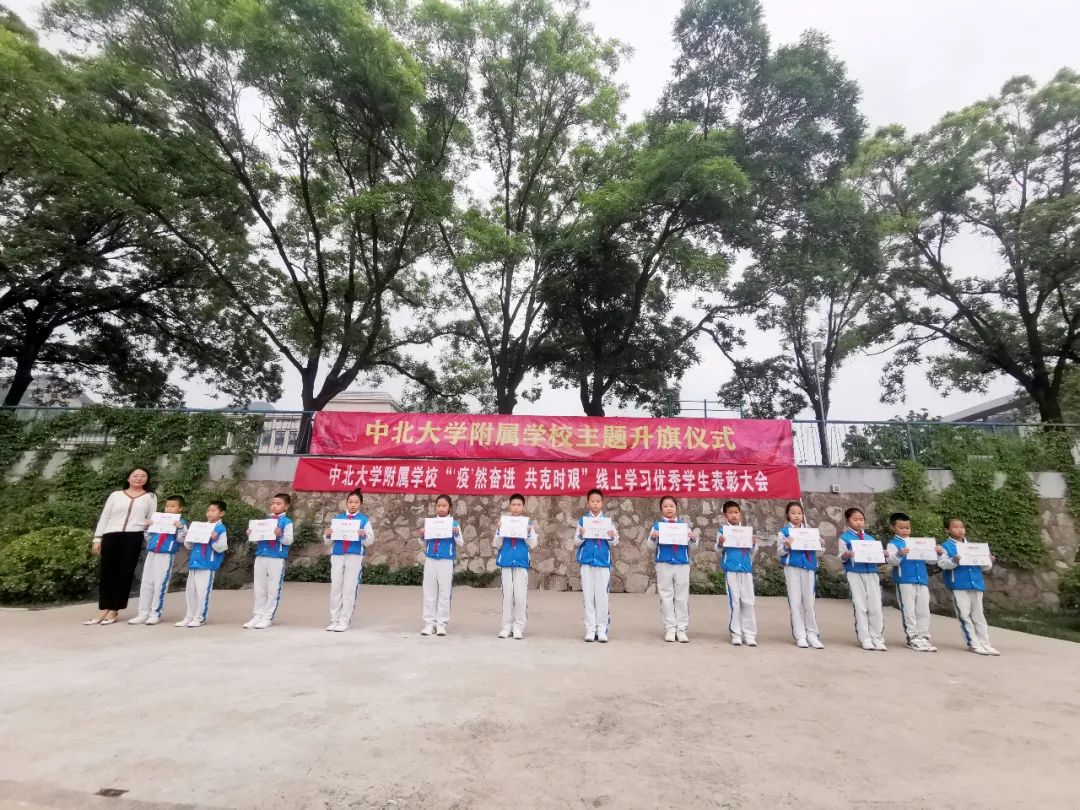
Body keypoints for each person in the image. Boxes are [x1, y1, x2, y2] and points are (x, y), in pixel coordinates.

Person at [85, 467, 158, 625]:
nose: (139, 478)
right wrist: (97, 539)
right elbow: (105, 517)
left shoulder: (150, 497)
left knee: (125, 573)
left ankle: (114, 609)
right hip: (111, 535)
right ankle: (103, 608)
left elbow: (152, 518)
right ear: (128, 478)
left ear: (147, 479)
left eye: (143, 476)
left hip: (133, 536)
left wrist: (148, 524)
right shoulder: (116, 495)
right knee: (107, 572)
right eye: (135, 475)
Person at [937, 517, 999, 656]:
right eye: (955, 527)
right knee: (964, 615)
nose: (960, 530)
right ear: (947, 530)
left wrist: (988, 560)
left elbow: (985, 567)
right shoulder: (945, 547)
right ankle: (973, 643)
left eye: (962, 527)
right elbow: (943, 564)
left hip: (976, 583)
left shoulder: (973, 547)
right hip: (958, 584)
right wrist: (954, 560)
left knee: (979, 615)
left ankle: (985, 644)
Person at [128, 494, 188, 626]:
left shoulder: (181, 522)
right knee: (146, 583)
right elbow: (148, 538)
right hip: (152, 553)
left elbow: (182, 540)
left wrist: (180, 528)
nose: (169, 508)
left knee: (160, 584)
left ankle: (155, 613)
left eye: (173, 506)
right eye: (167, 506)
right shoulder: (158, 519)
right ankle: (143, 613)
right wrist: (147, 527)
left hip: (166, 555)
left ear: (180, 508)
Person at [647, 495, 699, 643]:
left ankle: (681, 629)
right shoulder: (657, 526)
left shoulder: (684, 526)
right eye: (665, 506)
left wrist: (693, 538)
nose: (669, 509)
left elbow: (693, 546)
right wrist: (653, 537)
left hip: (682, 564)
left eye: (672, 506)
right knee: (666, 596)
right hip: (664, 564)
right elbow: (650, 546)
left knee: (682, 597)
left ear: (676, 508)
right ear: (661, 509)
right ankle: (670, 628)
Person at [322, 488, 373, 632]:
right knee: (336, 587)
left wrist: (363, 535)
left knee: (349, 588)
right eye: (350, 502)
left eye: (356, 502)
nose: (353, 504)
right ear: (346, 503)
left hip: (354, 555)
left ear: (360, 504)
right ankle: (334, 619)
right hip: (338, 554)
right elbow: (328, 541)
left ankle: (344, 620)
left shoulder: (364, 520)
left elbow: (370, 541)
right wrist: (328, 534)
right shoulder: (338, 519)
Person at [886, 512, 937, 652]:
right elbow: (891, 561)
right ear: (893, 528)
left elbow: (931, 561)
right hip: (905, 580)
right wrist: (899, 554)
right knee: (908, 609)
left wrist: (935, 553)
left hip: (921, 580)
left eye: (907, 528)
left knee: (923, 609)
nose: (905, 530)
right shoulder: (893, 544)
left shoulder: (917, 542)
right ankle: (912, 637)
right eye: (901, 528)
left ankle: (923, 637)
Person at [838, 506, 887, 651]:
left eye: (861, 519)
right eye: (855, 519)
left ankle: (877, 638)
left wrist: (882, 554)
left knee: (875, 606)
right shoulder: (845, 538)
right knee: (860, 606)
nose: (859, 522)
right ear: (848, 521)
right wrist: (846, 555)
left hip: (872, 573)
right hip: (855, 573)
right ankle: (865, 638)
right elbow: (840, 557)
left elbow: (876, 558)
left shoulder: (870, 539)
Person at [243, 493, 294, 630]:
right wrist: (252, 534)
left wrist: (280, 534)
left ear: (286, 506)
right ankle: (257, 615)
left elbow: (289, 541)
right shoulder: (265, 521)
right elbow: (258, 539)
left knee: (273, 589)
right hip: (261, 556)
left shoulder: (287, 522)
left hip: (276, 558)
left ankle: (267, 617)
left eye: (278, 503)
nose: (274, 506)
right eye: (273, 503)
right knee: (259, 588)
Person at [574, 488, 619, 643]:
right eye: (592, 501)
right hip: (586, 562)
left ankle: (602, 629)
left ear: (602, 503)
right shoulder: (582, 521)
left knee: (602, 597)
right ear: (588, 503)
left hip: (603, 563)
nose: (595, 504)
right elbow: (576, 542)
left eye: (598, 501)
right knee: (588, 597)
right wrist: (581, 534)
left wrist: (612, 536)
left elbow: (615, 542)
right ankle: (590, 629)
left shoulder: (608, 522)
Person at [777, 501, 824, 649]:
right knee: (795, 602)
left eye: (799, 513)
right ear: (787, 515)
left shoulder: (810, 532)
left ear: (803, 514)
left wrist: (820, 544)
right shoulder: (784, 532)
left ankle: (812, 634)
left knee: (809, 603)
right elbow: (780, 552)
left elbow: (818, 553)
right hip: (792, 568)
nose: (797, 516)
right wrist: (786, 546)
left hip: (809, 567)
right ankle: (800, 636)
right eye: (793, 513)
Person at [492, 493, 538, 639]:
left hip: (521, 562)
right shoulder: (504, 522)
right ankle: (506, 627)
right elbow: (496, 544)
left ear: (523, 507)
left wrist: (529, 533)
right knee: (507, 596)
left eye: (519, 505)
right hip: (506, 562)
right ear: (509, 506)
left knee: (520, 596)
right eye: (514, 505)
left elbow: (533, 544)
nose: (516, 507)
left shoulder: (527, 523)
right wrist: (499, 530)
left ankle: (518, 627)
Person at [176, 501, 228, 628]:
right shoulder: (200, 526)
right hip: (194, 562)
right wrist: (188, 537)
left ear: (221, 513)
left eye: (213, 510)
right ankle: (189, 616)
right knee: (190, 592)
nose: (209, 513)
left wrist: (214, 539)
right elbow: (189, 546)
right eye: (208, 510)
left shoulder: (220, 528)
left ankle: (200, 617)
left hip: (207, 564)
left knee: (202, 592)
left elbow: (222, 547)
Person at [419, 494, 462, 636]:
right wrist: (422, 535)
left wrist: (456, 534)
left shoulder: (454, 524)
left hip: (446, 560)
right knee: (429, 591)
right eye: (438, 505)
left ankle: (441, 624)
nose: (441, 508)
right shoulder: (430, 523)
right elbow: (424, 543)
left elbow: (460, 542)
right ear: (435, 507)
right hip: (431, 559)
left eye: (444, 505)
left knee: (444, 592)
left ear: (450, 507)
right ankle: (429, 623)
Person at [716, 500, 757, 647]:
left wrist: (753, 543)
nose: (734, 515)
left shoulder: (746, 531)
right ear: (725, 515)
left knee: (748, 601)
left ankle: (749, 634)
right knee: (734, 602)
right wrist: (720, 543)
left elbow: (753, 551)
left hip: (746, 569)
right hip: (731, 570)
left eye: (736, 512)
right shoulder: (723, 531)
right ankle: (736, 633)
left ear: (740, 513)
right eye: (730, 513)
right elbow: (718, 549)